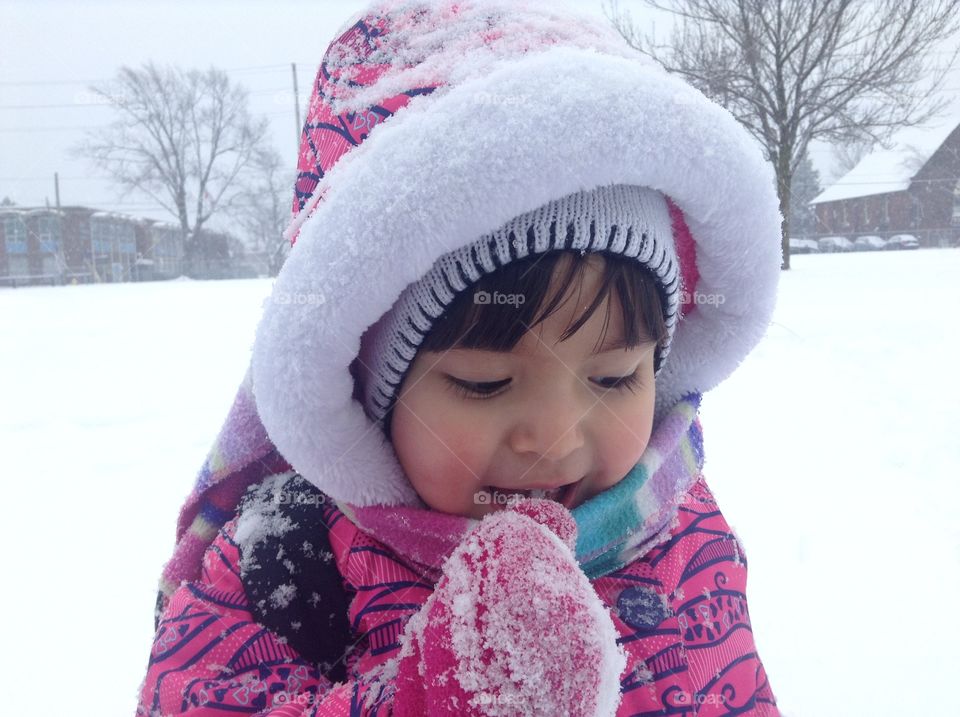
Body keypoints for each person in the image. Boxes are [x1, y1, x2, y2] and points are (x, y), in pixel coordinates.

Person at [136, 1, 783, 714]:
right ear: (368, 391)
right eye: (486, 381)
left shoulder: (683, 530)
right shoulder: (286, 561)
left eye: (612, 375)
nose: (556, 437)